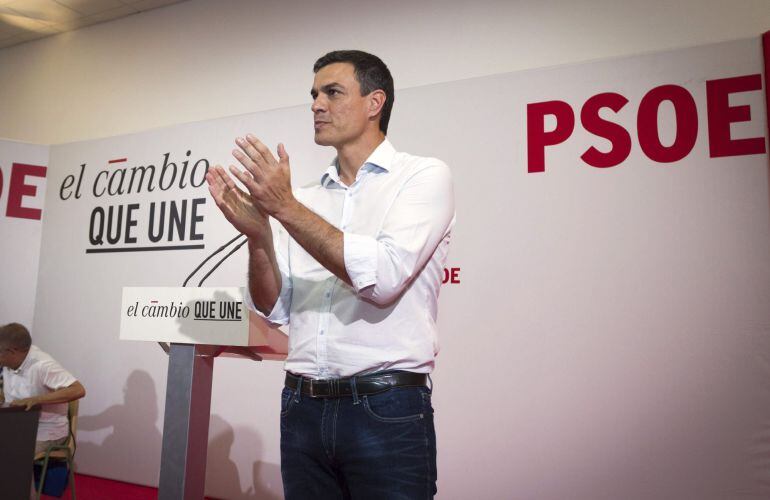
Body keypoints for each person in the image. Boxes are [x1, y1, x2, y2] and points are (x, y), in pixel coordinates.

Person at [206, 50, 454, 499]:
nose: (317, 105)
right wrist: (259, 235)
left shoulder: (422, 177)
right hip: (301, 406)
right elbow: (273, 306)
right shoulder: (303, 198)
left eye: (332, 93)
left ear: (375, 102)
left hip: (386, 408)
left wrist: (283, 208)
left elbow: (382, 279)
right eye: (314, 95)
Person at [0, 323, 86, 455]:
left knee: (11, 454)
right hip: (16, 426)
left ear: (12, 351)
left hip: (46, 431)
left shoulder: (43, 365)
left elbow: (78, 390)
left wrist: (36, 400)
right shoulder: (8, 362)